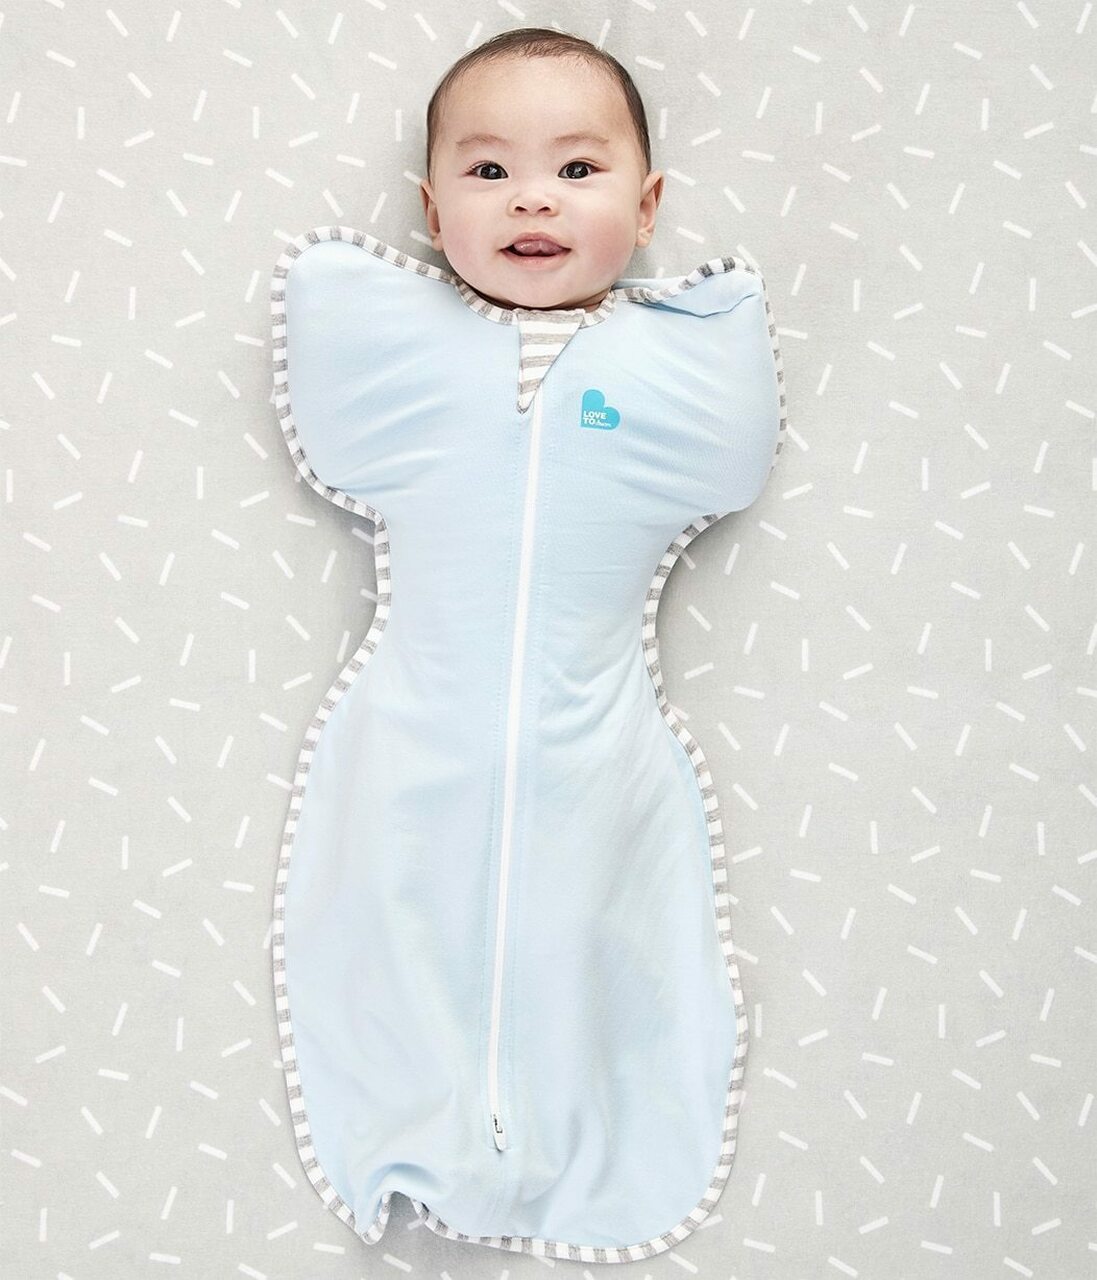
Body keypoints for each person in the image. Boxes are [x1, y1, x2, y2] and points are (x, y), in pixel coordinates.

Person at [419, 28, 664, 314]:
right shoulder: (395, 312)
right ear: (436, 217)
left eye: (576, 170)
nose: (532, 200)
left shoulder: (690, 322)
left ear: (643, 211)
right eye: (490, 171)